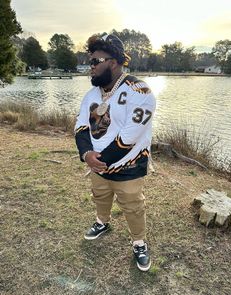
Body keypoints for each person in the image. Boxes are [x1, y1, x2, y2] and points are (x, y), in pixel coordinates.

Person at [74, 33, 156, 271]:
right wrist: (86, 154)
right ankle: (102, 222)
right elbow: (80, 126)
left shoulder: (140, 91)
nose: (90, 67)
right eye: (90, 61)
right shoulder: (91, 95)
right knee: (100, 195)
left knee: (132, 205)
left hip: (128, 165)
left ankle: (139, 242)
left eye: (95, 62)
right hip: (96, 163)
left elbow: (130, 137)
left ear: (113, 61)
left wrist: (99, 160)